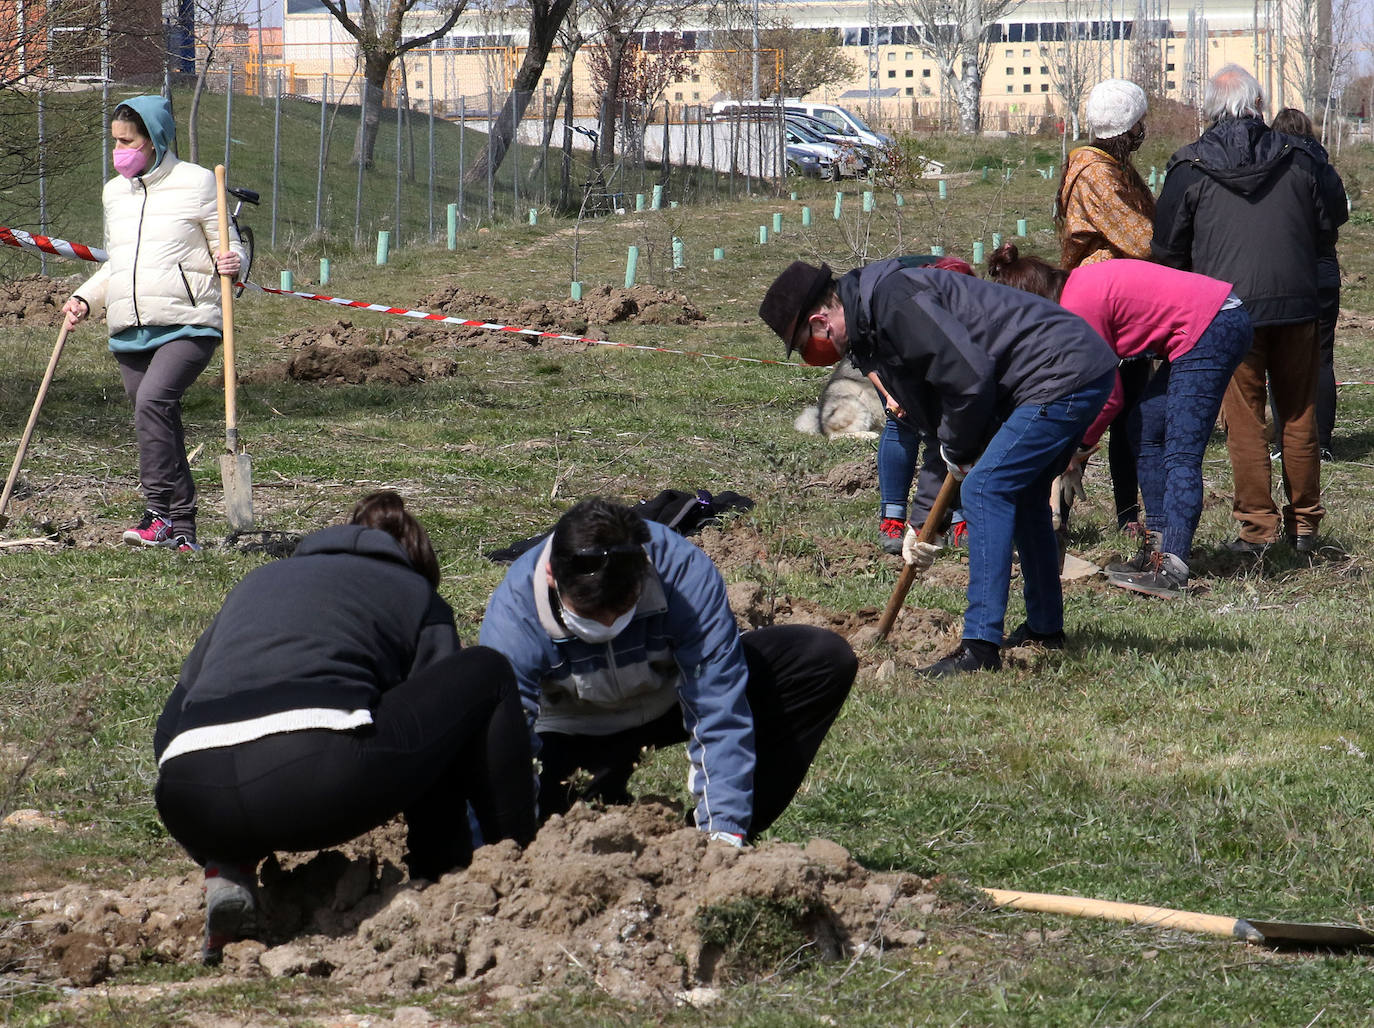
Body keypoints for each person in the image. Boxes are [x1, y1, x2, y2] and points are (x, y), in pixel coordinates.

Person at [154, 491, 537, 964]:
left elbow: (170, 723)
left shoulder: (259, 580)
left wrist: (210, 828)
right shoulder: (415, 595)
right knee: (487, 672)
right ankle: (518, 868)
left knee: (226, 754)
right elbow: (441, 746)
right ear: (415, 564)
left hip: (188, 797)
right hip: (314, 778)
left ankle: (227, 869)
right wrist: (444, 866)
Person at [759, 260, 1117, 674]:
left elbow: (968, 380)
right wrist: (927, 518)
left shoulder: (894, 304)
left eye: (805, 343)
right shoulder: (871, 331)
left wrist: (963, 452)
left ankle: (980, 648)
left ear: (821, 321)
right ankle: (1044, 629)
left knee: (986, 489)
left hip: (1061, 370)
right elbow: (935, 426)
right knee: (1022, 497)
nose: (811, 355)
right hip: (1057, 372)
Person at [478, 497, 856, 843]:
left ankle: (725, 833)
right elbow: (504, 747)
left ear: (643, 573)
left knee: (821, 658)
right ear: (550, 575)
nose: (607, 626)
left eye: (621, 613)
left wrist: (723, 834)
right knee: (551, 828)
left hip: (663, 703)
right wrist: (506, 849)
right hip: (572, 728)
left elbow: (717, 704)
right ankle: (596, 792)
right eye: (589, 617)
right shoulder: (515, 613)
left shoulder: (683, 573)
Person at [1153, 65, 1347, 552]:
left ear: (1210, 111)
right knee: (1298, 413)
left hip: (1226, 308)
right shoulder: (1301, 157)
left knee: (1244, 419)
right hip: (1298, 302)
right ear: (1258, 104)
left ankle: (1257, 529)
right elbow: (1333, 218)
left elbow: (1167, 248)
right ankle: (1305, 525)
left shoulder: (1189, 165)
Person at [988, 244, 1253, 598]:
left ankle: (1172, 567)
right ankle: (1155, 549)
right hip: (1206, 321)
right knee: (1143, 427)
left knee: (1180, 448)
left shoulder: (1078, 306)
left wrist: (1076, 450)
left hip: (1214, 323)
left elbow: (1108, 396)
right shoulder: (1077, 288)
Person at [62, 95, 247, 553]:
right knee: (157, 419)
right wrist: (86, 297)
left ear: (154, 140)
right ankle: (182, 527)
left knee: (152, 402)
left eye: (126, 141)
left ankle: (158, 511)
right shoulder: (113, 193)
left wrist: (234, 260)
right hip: (130, 327)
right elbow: (117, 264)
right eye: (114, 142)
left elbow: (233, 242)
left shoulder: (198, 183)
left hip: (190, 320)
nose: (118, 151)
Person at [1055, 77, 1156, 533]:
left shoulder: (1111, 165)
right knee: (1101, 404)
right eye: (1138, 123)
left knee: (1129, 404)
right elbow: (1141, 239)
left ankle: (1127, 512)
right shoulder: (1096, 172)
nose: (1142, 131)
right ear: (1126, 128)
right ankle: (1056, 507)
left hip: (1122, 296)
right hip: (1103, 300)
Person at [871, 255, 975, 554]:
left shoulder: (963, 303)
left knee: (953, 429)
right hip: (895, 357)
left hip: (945, 354)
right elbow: (869, 360)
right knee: (901, 424)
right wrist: (891, 395)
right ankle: (892, 517)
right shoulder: (885, 312)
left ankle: (959, 516)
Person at [1270, 107, 1342, 462]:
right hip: (1324, 268)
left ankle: (1285, 443)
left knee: (1280, 358)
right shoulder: (1325, 166)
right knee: (1323, 359)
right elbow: (1339, 215)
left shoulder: (1276, 167)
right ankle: (1323, 442)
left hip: (1287, 270)